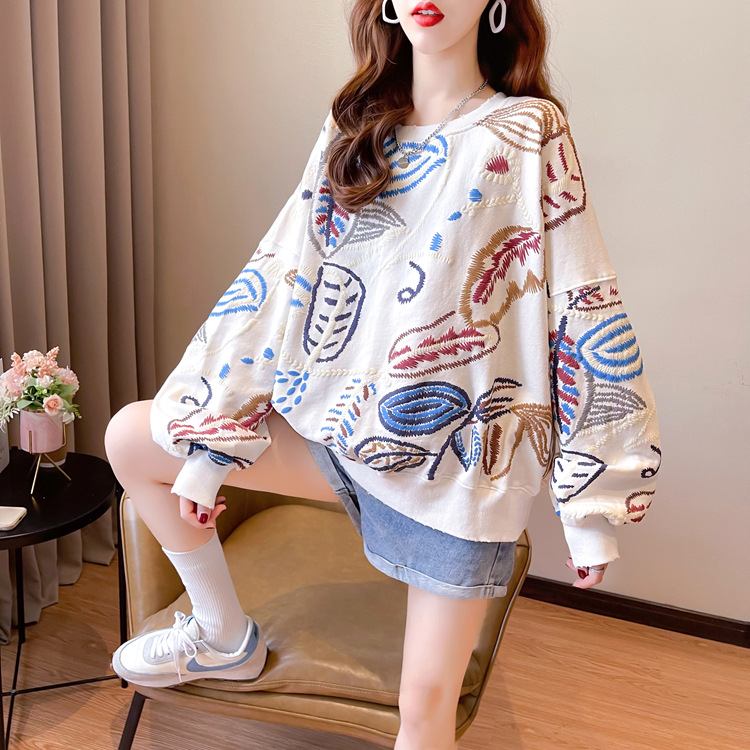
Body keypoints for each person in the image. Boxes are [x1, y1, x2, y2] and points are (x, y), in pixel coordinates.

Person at [104, 1, 661, 748]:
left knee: (424, 710)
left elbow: (583, 306)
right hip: (336, 439)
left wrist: (591, 506)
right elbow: (282, 279)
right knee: (129, 438)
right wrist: (213, 445)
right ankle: (222, 634)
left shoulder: (528, 130)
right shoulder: (353, 130)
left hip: (454, 474)